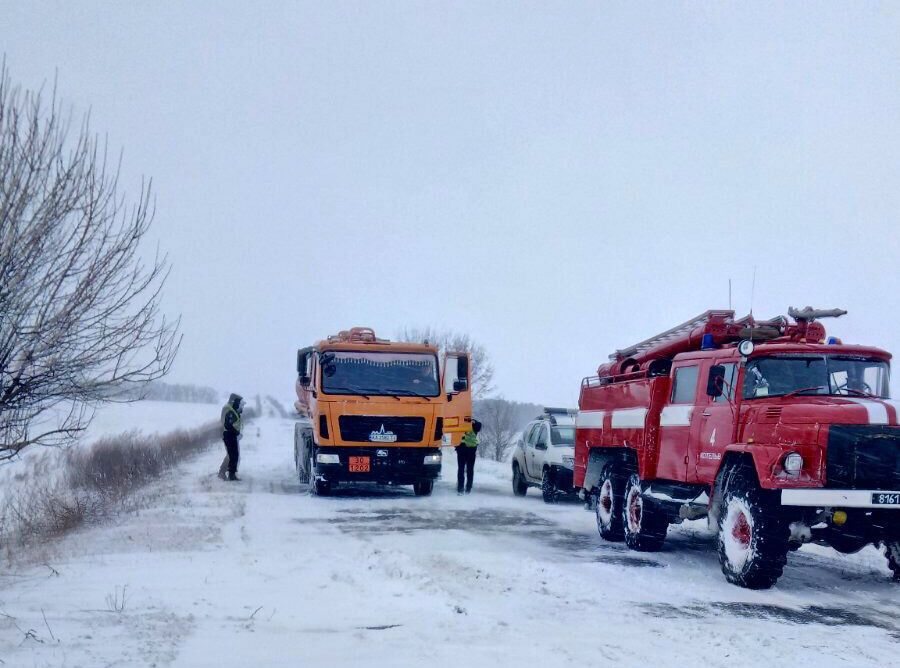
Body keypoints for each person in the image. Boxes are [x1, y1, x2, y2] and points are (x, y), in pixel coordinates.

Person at [218, 393, 244, 481]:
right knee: (232, 455)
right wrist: (236, 433)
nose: (241, 405)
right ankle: (226, 473)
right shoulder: (228, 409)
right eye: (239, 402)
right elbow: (228, 424)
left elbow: (235, 421)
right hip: (229, 435)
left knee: (232, 455)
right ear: (234, 401)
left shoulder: (232, 409)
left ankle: (227, 473)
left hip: (232, 435)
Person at [456, 419, 482, 495]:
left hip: (461, 449)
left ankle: (460, 489)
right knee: (470, 469)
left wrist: (456, 446)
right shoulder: (474, 423)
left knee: (461, 469)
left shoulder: (460, 421)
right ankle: (468, 488)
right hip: (471, 450)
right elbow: (479, 427)